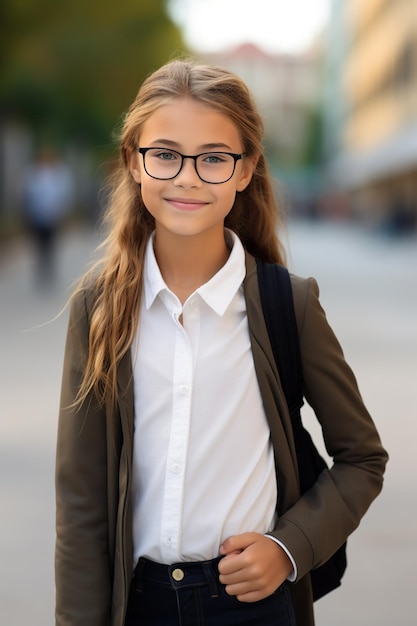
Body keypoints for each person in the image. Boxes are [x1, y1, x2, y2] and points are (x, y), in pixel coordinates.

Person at [55, 59, 388, 626]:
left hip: (251, 607)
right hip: (139, 605)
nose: (187, 176)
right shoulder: (100, 305)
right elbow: (82, 504)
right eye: (165, 154)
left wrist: (289, 550)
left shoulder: (291, 304)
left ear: (245, 169)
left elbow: (362, 459)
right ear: (134, 161)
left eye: (213, 157)